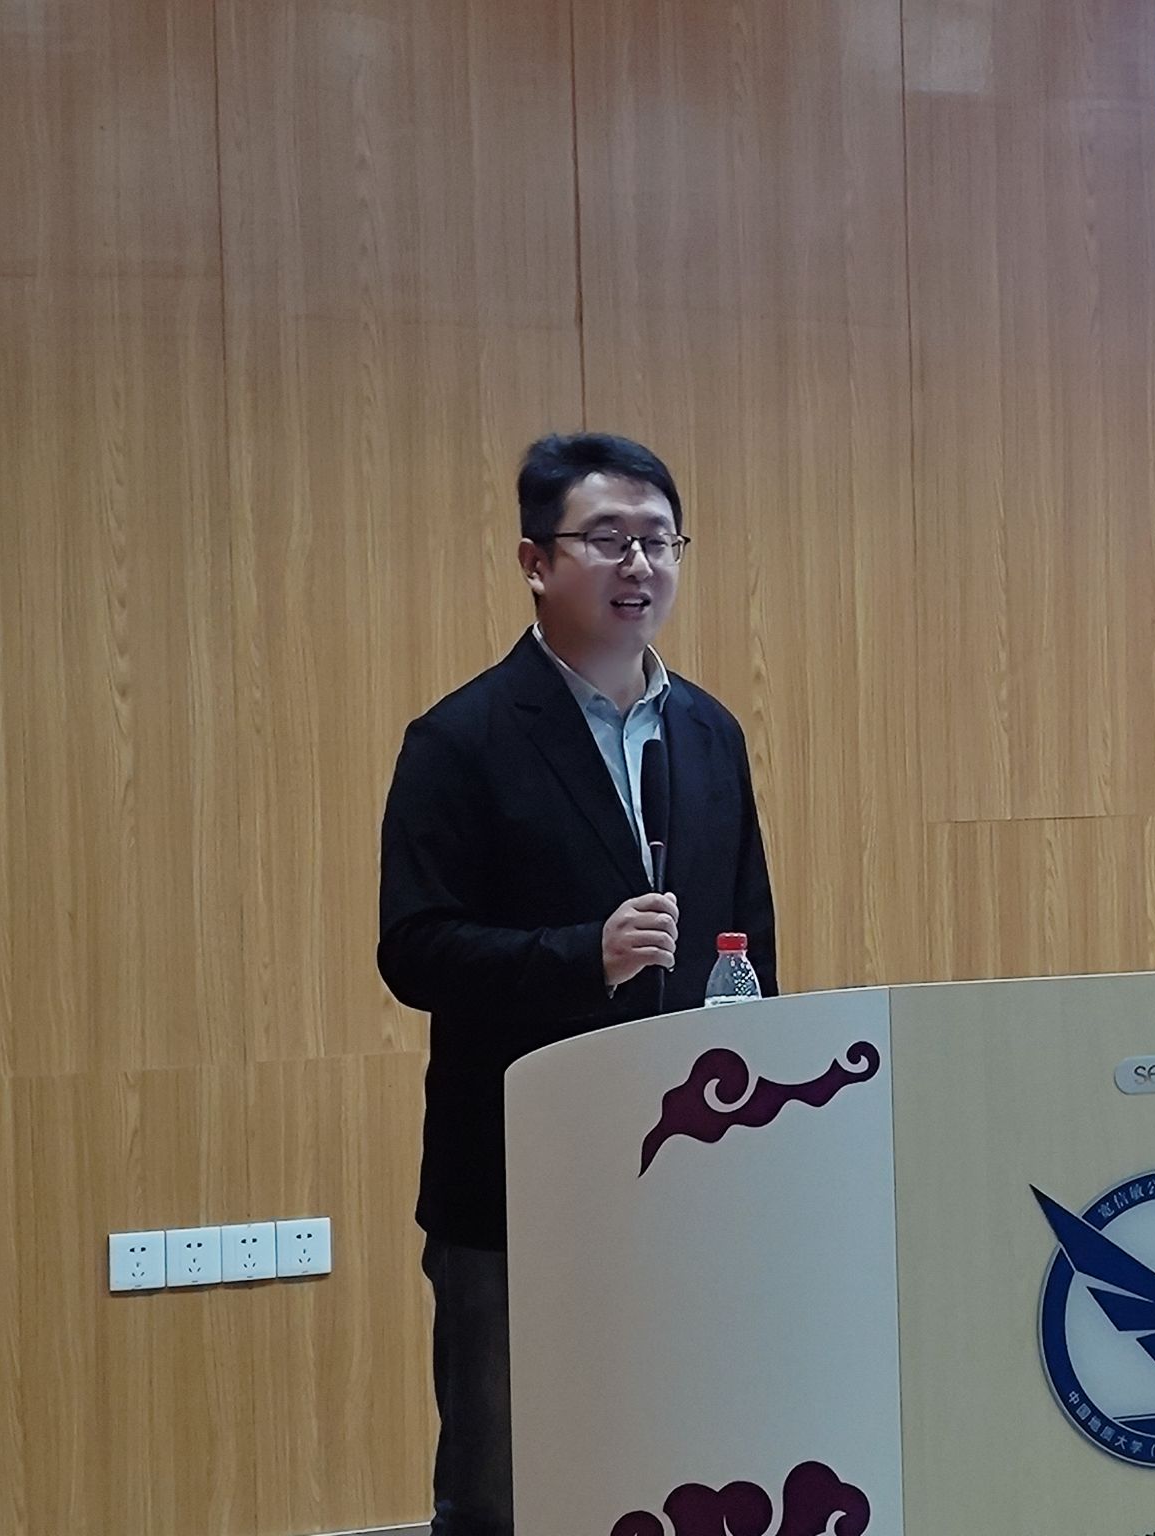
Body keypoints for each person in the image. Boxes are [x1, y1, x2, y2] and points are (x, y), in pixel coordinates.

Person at [377, 432, 776, 1536]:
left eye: (659, 540)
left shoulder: (709, 732)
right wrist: (581, 956)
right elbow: (414, 949)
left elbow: (749, 942)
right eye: (607, 539)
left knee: (682, 1461)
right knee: (506, 1486)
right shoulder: (459, 740)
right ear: (535, 562)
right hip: (515, 1178)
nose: (639, 564)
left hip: (687, 1170)